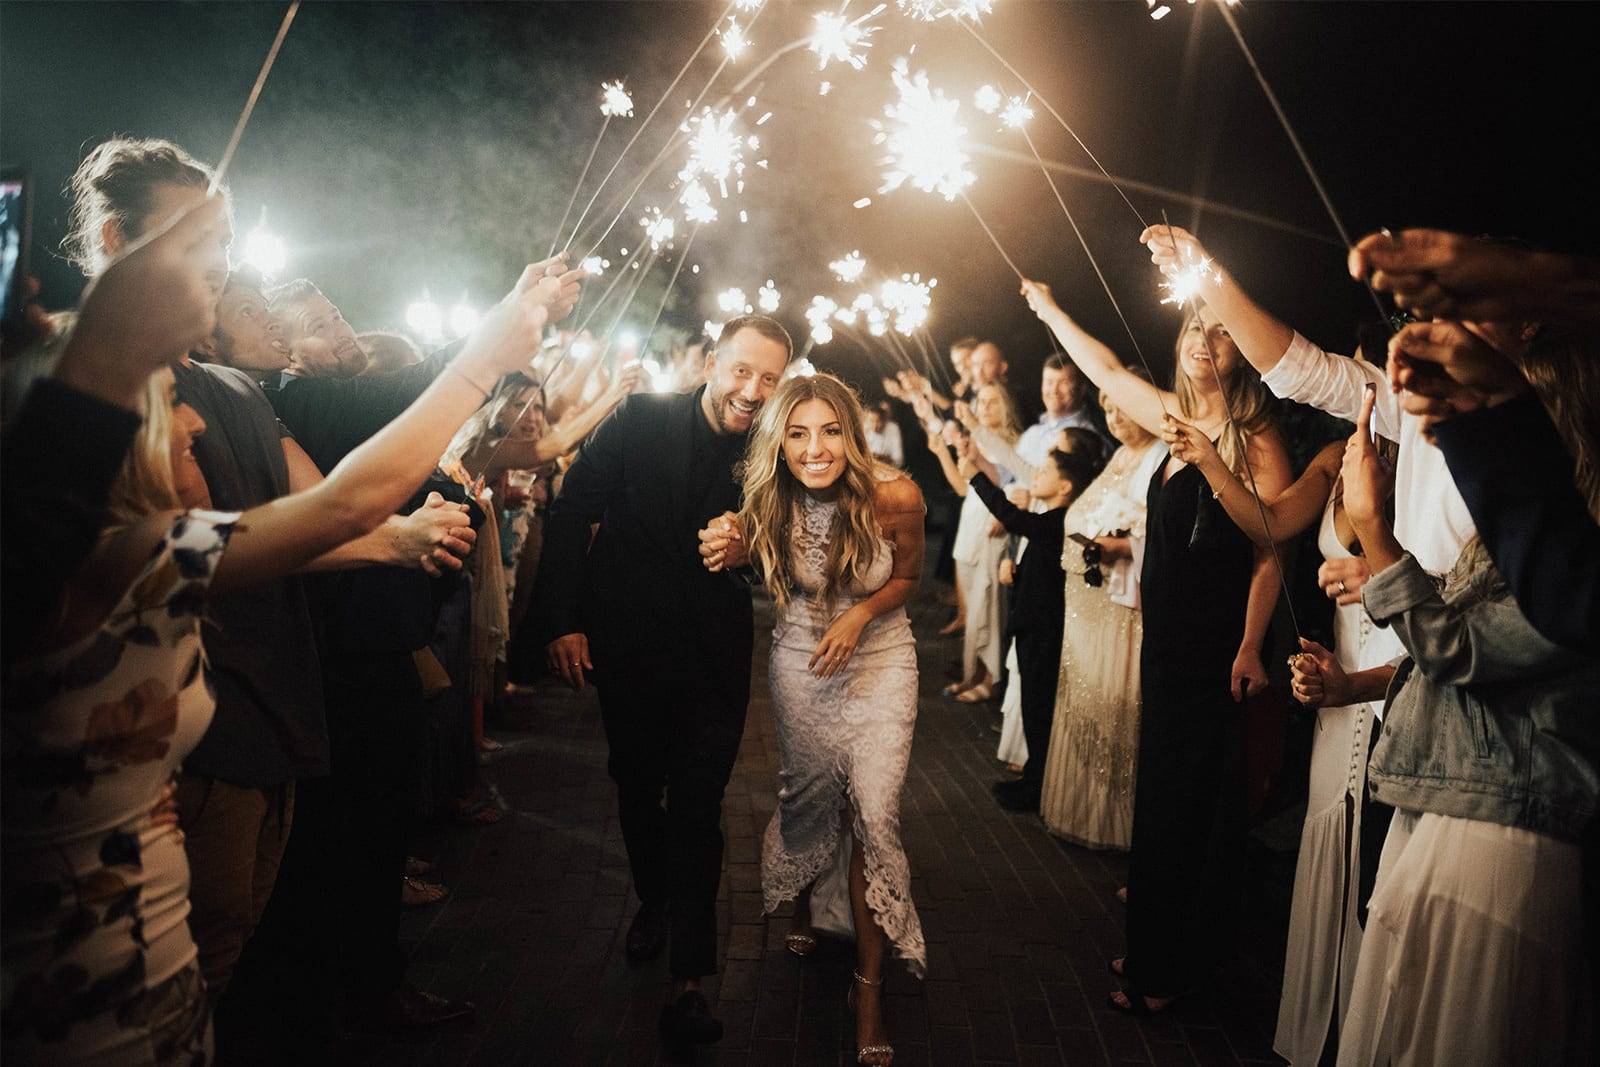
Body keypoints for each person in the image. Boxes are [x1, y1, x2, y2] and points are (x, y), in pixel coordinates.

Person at [1, 241, 578, 1063]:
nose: (198, 419)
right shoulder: (104, 564)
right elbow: (343, 505)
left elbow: (336, 513)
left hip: (160, 953)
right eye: (170, 401)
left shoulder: (159, 550)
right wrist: (487, 350)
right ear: (101, 437)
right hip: (86, 985)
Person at [1022, 271, 1293, 1016]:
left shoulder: (1255, 435)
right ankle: (1153, 950)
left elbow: (1272, 546)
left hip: (1215, 647)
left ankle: (1177, 971)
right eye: (1193, 327)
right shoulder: (1171, 414)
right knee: (1162, 802)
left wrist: (1249, 645)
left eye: (1221, 331)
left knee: (1194, 809)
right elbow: (1105, 369)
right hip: (1165, 638)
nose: (1203, 341)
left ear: (1242, 350)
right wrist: (1048, 307)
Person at [527, 314, 793, 1047]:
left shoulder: (776, 452)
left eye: (770, 379)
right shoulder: (641, 417)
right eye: (742, 370)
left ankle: (688, 980)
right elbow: (573, 508)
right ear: (712, 362)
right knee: (637, 786)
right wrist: (562, 621)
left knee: (700, 807)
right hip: (628, 644)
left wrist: (752, 544)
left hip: (714, 658)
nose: (752, 390)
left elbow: (797, 544)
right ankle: (653, 899)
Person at [1332, 385, 1598, 1065]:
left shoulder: (1580, 554)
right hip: (1446, 796)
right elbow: (1441, 659)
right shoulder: (1502, 541)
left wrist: (1375, 529)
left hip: (1508, 827)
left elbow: (1463, 647)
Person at [1165, 395, 1402, 1062]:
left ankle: (1370, 1036)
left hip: (1400, 682)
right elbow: (1268, 526)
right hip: (1337, 679)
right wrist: (1211, 459)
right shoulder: (1336, 457)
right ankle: (1319, 1030)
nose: (1373, 391)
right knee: (1331, 835)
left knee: (1385, 868)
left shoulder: (1438, 468)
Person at [705, 373, 925, 1066]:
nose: (815, 447)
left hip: (882, 662)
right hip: (802, 659)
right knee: (808, 800)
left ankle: (867, 987)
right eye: (798, 433)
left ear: (851, 433)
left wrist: (860, 614)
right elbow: (746, 560)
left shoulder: (896, 493)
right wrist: (735, 546)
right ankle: (802, 897)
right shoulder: (768, 497)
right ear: (780, 441)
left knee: (875, 810)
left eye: (830, 429)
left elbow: (909, 577)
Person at [1040, 382, 1166, 849]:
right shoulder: (1120, 456)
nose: (1115, 417)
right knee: (1083, 700)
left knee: (1114, 705)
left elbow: (1159, 534)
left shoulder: (1158, 457)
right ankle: (1079, 811)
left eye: (1124, 407)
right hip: (1089, 606)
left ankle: (1114, 823)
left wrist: (1117, 546)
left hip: (1120, 609)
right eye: (1108, 407)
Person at [959, 437, 1099, 811]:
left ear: (1066, 486)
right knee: (1033, 707)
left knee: (1040, 709)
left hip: (1044, 628)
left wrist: (977, 478)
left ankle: (1038, 786)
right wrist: (1018, 573)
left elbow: (1015, 519)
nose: (1038, 474)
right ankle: (1034, 779)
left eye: (1047, 471)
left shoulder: (1059, 521)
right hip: (1032, 623)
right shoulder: (1053, 522)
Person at [927, 383, 1022, 703]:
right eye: (981, 401)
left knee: (990, 609)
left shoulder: (1011, 443)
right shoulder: (976, 440)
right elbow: (963, 488)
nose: (984, 407)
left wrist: (976, 454)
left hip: (992, 530)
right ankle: (972, 675)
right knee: (972, 610)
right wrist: (942, 452)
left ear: (1006, 407)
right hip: (969, 529)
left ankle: (991, 679)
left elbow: (1000, 483)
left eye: (993, 402)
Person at [864, 400, 904, 467]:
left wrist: (883, 459)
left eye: (877, 421)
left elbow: (898, 460)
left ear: (884, 420)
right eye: (871, 421)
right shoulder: (864, 428)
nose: (874, 425)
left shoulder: (893, 428)